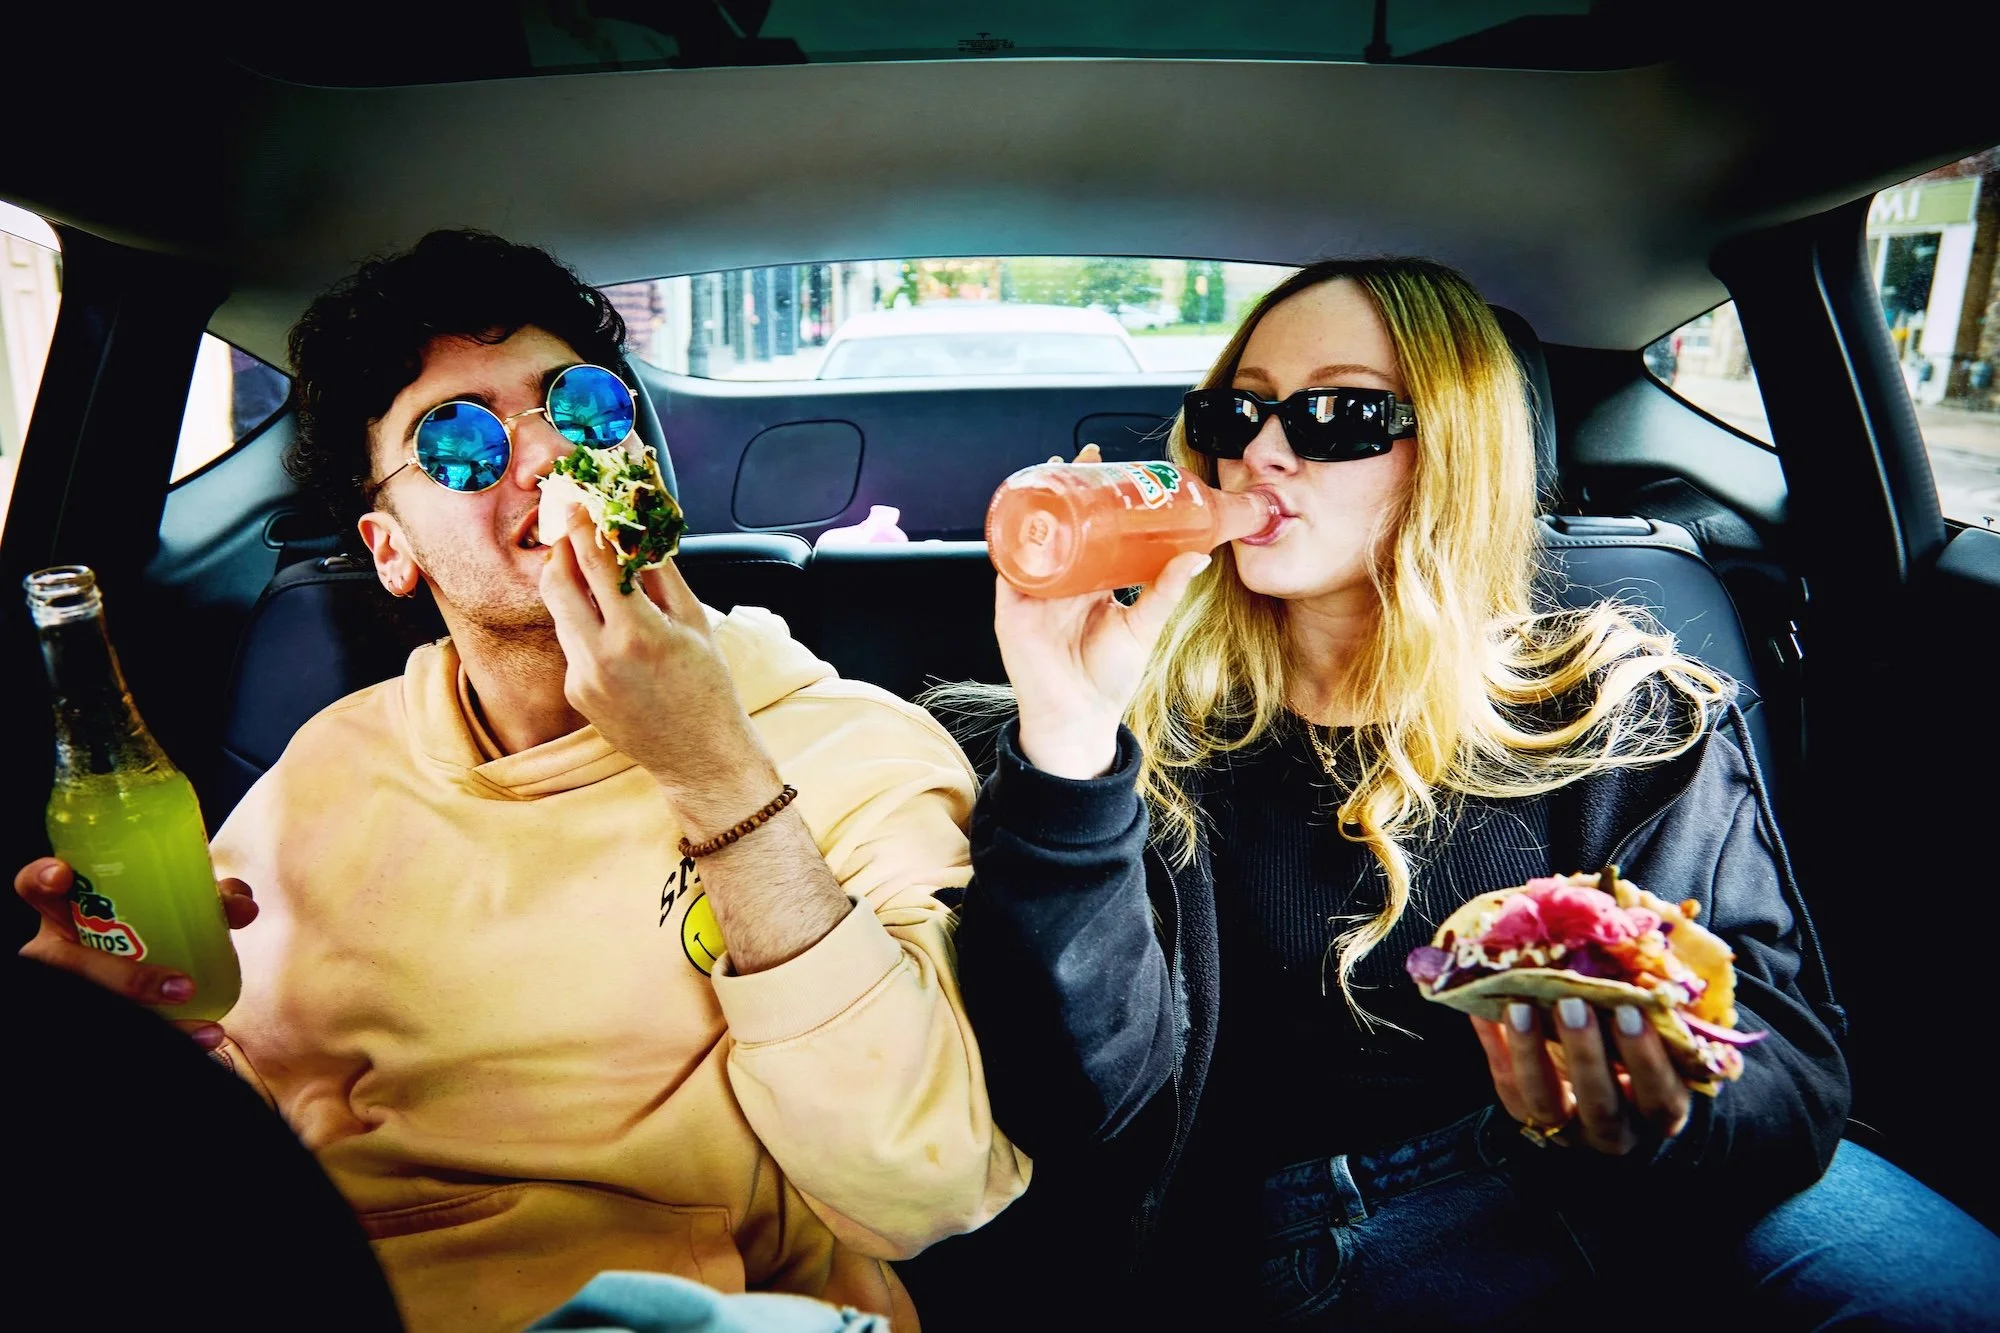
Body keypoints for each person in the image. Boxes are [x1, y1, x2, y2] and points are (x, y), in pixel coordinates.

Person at [942, 258, 2000, 1328]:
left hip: (1619, 1199)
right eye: (1236, 409)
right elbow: (1079, 1113)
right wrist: (1071, 734)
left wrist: (1665, 1101)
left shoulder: (1625, 714)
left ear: (1451, 450)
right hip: (1282, 1238)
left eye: (1337, 415)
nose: (1259, 451)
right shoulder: (1133, 734)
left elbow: (1786, 1060)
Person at [16, 230, 1026, 1332]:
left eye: (582, 407)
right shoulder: (330, 768)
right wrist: (115, 1041)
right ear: (389, 547)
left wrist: (716, 774)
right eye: (457, 443)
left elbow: (922, 1189)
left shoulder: (853, 750)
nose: (545, 457)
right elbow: (247, 1112)